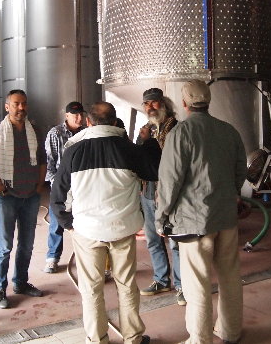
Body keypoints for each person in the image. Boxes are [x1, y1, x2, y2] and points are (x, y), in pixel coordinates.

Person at [51, 101, 160, 344]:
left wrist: (69, 223)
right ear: (114, 121)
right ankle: (133, 337)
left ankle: (97, 339)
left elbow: (58, 194)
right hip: (122, 229)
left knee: (91, 289)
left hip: (87, 231)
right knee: (127, 285)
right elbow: (154, 171)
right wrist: (149, 142)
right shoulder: (128, 149)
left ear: (88, 122)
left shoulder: (73, 151)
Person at [155, 80, 247, 344]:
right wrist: (228, 195)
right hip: (226, 216)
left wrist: (161, 218)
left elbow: (170, 181)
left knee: (197, 283)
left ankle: (200, 338)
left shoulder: (180, 133)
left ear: (184, 103)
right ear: (208, 101)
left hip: (194, 222)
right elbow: (240, 171)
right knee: (230, 276)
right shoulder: (229, 131)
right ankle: (230, 332)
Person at [0, 89, 46, 309]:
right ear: (7, 106)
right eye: (16, 104)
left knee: (27, 244)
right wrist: (0, 188)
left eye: (24, 103)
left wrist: (39, 185)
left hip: (31, 196)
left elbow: (42, 160)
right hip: (7, 197)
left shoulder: (34, 130)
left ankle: (20, 282)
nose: (21, 108)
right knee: (5, 245)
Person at [137, 88, 184, 305]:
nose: (150, 107)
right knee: (153, 239)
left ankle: (181, 285)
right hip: (148, 191)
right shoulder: (146, 130)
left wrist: (148, 142)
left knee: (174, 240)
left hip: (169, 192)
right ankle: (161, 280)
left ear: (163, 104)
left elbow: (170, 160)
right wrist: (142, 141)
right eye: (146, 104)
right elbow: (139, 158)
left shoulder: (175, 127)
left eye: (154, 103)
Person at [43, 101, 85, 274]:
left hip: (81, 184)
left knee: (83, 223)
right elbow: (49, 161)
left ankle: (85, 258)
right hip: (61, 185)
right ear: (67, 116)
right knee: (56, 222)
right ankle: (52, 258)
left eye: (81, 114)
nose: (79, 118)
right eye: (75, 115)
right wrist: (56, 185)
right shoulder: (55, 133)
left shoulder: (86, 132)